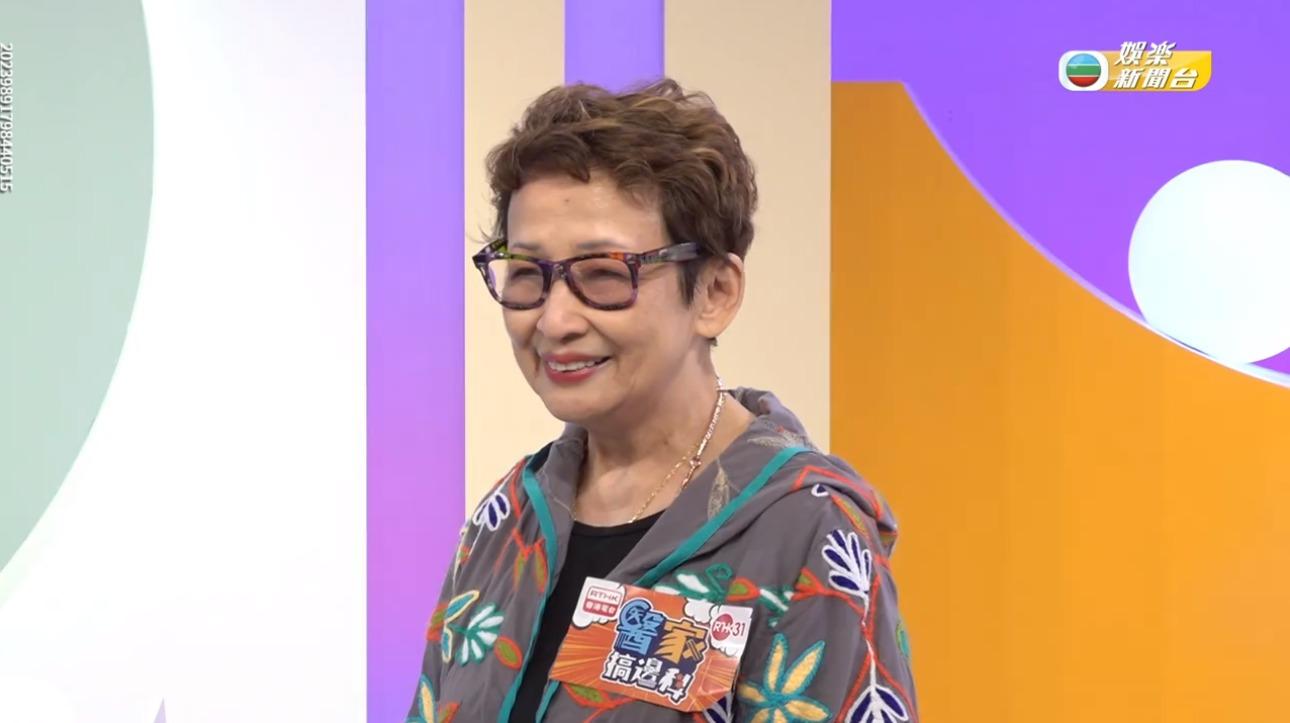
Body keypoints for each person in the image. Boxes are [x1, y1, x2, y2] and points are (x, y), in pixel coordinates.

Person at [407, 79, 917, 723]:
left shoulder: (804, 528)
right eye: (529, 273)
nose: (554, 320)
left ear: (714, 293)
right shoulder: (508, 519)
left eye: (603, 273)